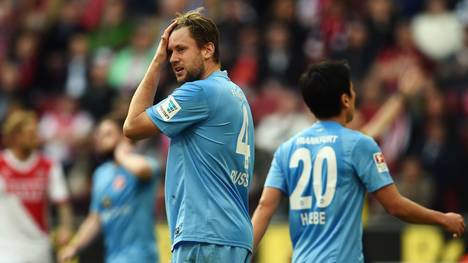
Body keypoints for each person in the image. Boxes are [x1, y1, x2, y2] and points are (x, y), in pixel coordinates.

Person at [251, 60, 465, 262]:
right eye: (353, 92)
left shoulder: (286, 149)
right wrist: (443, 219)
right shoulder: (358, 145)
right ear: (345, 99)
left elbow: (264, 207)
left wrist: (241, 255)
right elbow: (395, 206)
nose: (355, 97)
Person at [123, 8, 254, 263]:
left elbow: (132, 126)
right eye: (170, 51)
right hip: (233, 235)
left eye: (181, 50)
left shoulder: (199, 93)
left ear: (208, 49)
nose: (172, 58)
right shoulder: (235, 93)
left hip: (203, 236)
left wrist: (156, 60)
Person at [59, 116, 160, 263]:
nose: (100, 139)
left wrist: (121, 153)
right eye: (99, 134)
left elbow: (142, 169)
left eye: (107, 134)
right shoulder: (101, 174)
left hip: (141, 256)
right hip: (113, 257)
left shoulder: (143, 163)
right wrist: (74, 247)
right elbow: (95, 218)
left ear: (124, 136)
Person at [0, 109, 73, 262]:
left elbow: (62, 202)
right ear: (15, 136)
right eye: (31, 134)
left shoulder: (49, 165)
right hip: (6, 247)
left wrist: (65, 228)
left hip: (39, 246)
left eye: (36, 133)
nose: (36, 138)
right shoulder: (1, 165)